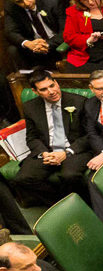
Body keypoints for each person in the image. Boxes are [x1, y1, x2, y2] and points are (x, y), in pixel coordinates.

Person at [11, 70, 90, 207]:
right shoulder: (30, 107)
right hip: (47, 151)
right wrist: (44, 153)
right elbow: (32, 137)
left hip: (73, 150)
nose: (51, 91)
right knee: (22, 178)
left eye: (52, 86)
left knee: (69, 175)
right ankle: (59, 204)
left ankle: (77, 205)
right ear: (35, 91)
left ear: (57, 83)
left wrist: (66, 152)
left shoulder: (79, 102)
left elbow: (89, 135)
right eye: (44, 89)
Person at [3, 0, 63, 73]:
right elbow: (10, 32)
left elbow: (66, 30)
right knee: (13, 49)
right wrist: (28, 44)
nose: (26, 3)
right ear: (13, 2)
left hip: (54, 44)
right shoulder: (10, 6)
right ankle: (27, 78)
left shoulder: (53, 2)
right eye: (20, 2)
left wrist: (47, 44)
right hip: (33, 46)